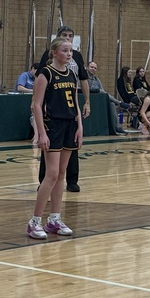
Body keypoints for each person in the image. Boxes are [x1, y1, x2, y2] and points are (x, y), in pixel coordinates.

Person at [27, 37, 84, 240]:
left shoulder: (71, 74)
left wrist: (79, 126)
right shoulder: (45, 74)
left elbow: (76, 102)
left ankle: (54, 219)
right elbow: (36, 104)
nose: (69, 54)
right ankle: (34, 221)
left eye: (71, 51)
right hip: (53, 126)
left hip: (69, 125)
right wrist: (41, 132)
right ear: (54, 53)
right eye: (65, 50)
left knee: (61, 174)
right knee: (51, 175)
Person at [35, 25, 89, 193]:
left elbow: (83, 80)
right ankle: (43, 186)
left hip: (70, 117)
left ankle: (71, 183)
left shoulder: (76, 62)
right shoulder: (47, 69)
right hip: (53, 118)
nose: (67, 38)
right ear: (54, 52)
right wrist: (39, 131)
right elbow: (37, 98)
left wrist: (87, 101)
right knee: (51, 162)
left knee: (66, 163)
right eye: (64, 35)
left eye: (70, 35)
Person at [87, 60, 126, 135]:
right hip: (88, 98)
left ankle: (116, 127)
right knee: (101, 92)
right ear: (87, 67)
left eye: (95, 68)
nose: (93, 69)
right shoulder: (82, 78)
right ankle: (119, 103)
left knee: (111, 104)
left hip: (98, 100)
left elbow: (103, 92)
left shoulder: (96, 79)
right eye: (91, 67)